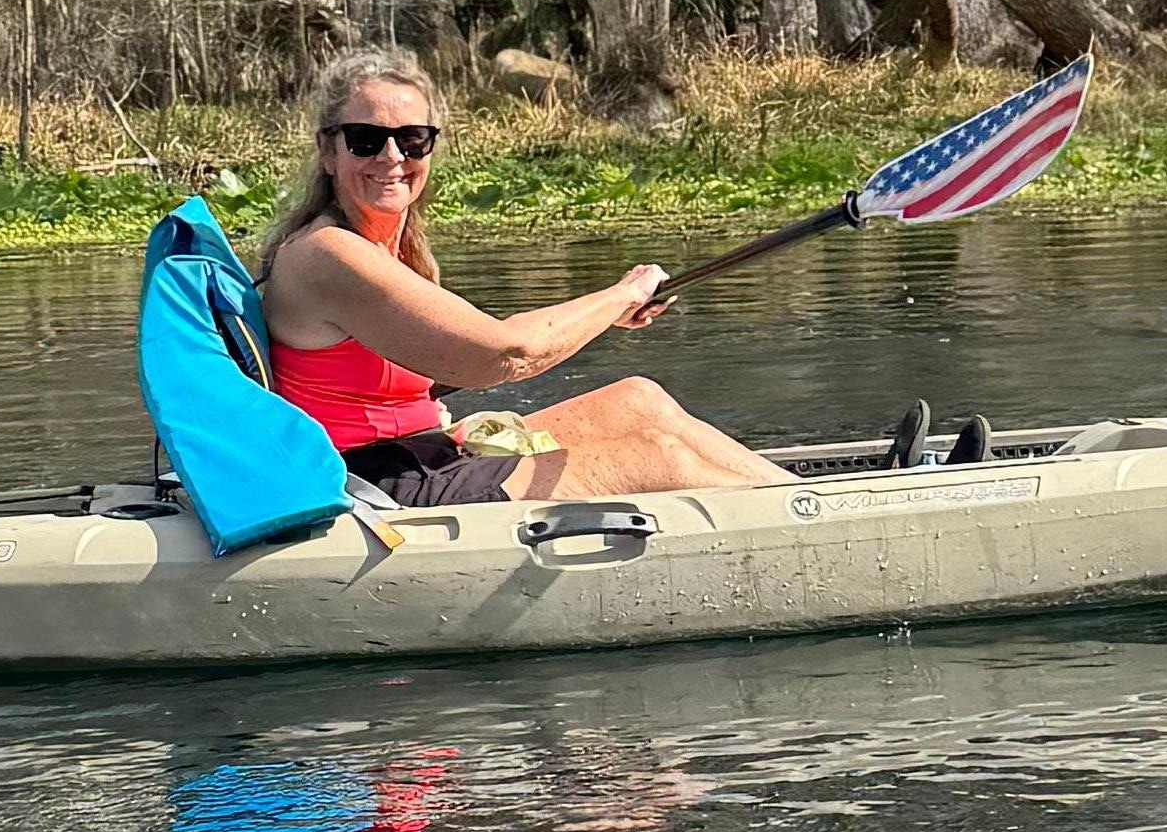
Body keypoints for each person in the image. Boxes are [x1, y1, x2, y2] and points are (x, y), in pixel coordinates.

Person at [252, 50, 775, 505]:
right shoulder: (327, 252)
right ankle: (816, 527)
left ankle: (814, 506)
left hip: (424, 450)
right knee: (657, 459)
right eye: (366, 140)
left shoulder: (392, 247)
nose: (392, 157)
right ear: (328, 151)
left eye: (412, 139)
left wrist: (433, 419)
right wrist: (620, 296)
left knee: (639, 399)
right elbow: (504, 353)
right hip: (373, 481)